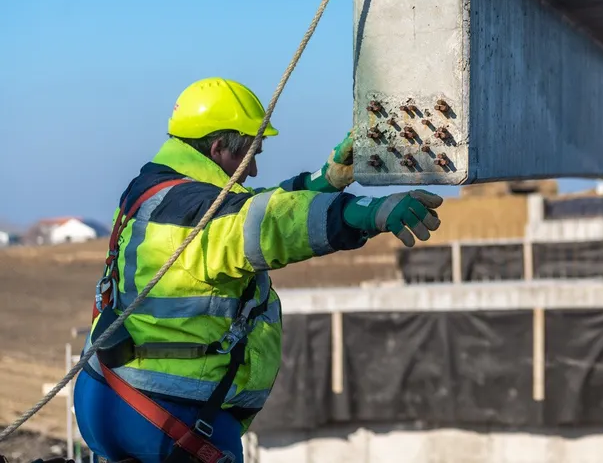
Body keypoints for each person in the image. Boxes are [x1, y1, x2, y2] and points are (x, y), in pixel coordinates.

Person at [73, 77, 443, 463]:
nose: (253, 170)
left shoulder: (152, 191)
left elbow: (245, 208)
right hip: (170, 415)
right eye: (251, 155)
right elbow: (267, 224)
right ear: (218, 148)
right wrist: (365, 213)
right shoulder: (196, 214)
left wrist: (325, 181)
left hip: (109, 396)